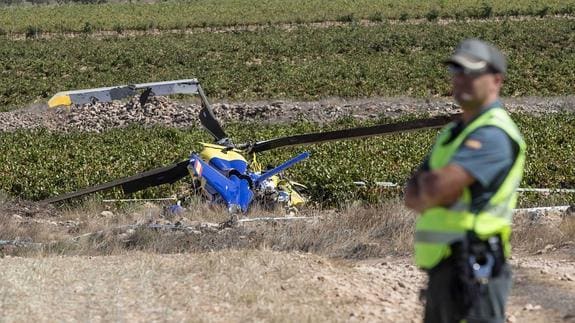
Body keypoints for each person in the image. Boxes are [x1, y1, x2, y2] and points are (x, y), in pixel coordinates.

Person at [404, 39, 526, 323]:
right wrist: (434, 188)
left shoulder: (494, 133)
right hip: (444, 268)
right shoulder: (453, 133)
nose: (461, 79)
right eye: (456, 71)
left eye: (471, 72)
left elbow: (432, 188)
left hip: (475, 269)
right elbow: (411, 195)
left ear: (497, 80)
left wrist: (433, 188)